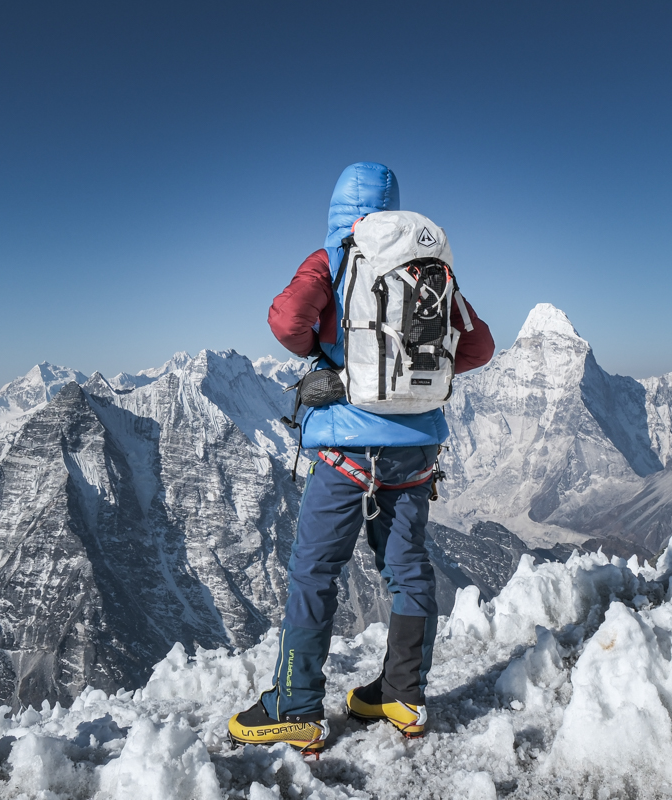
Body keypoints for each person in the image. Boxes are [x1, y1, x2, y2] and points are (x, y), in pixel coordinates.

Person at [227, 162, 495, 753]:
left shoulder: (332, 256)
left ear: (336, 207)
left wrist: (337, 367)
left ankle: (295, 706)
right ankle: (403, 693)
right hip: (417, 450)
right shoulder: (426, 267)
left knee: (315, 571)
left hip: (349, 447)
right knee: (408, 568)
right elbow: (478, 346)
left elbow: (287, 320)